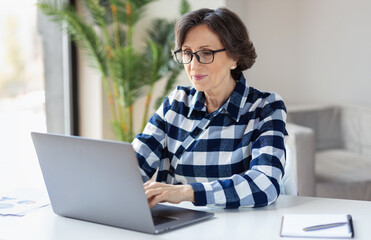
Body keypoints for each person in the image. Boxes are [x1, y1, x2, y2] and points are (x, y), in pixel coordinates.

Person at [132, 7, 288, 209]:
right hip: (178, 225)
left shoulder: (265, 107)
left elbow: (265, 184)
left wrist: (187, 192)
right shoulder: (176, 103)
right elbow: (134, 167)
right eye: (187, 53)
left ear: (234, 58)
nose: (193, 65)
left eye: (206, 53)